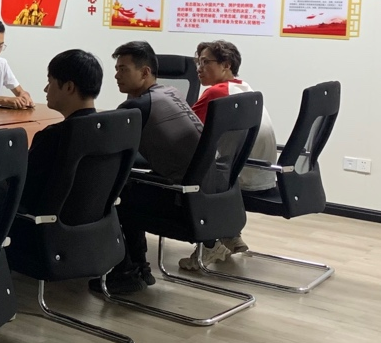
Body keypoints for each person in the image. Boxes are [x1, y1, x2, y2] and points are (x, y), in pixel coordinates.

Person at [91, 41, 203, 295]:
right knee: (129, 187)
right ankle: (139, 267)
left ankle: (127, 271)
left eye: (123, 69)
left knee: (112, 196)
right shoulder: (171, 93)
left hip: (181, 200)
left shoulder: (135, 107)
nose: (116, 75)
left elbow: (103, 149)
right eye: (116, 69)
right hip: (204, 195)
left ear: (144, 72)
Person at [183, 40, 277, 270]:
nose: (199, 68)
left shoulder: (217, 92)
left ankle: (209, 244)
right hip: (260, 172)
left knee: (186, 176)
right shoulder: (245, 89)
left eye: (206, 62)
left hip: (239, 178)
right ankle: (231, 235)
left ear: (226, 65)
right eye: (198, 62)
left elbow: (183, 126)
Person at [16, 50, 103, 218]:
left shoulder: (54, 136)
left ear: (69, 87)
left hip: (34, 224)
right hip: (86, 224)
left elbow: (23, 191)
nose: (45, 89)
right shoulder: (108, 131)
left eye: (50, 82)